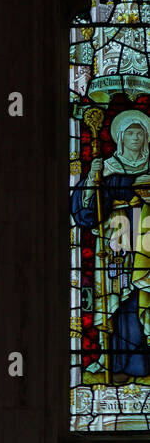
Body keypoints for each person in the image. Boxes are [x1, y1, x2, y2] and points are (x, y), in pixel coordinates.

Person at [70, 109, 150, 380]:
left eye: (140, 132)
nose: (136, 137)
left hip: (148, 239)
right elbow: (86, 213)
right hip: (118, 240)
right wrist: (93, 179)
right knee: (120, 299)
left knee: (144, 299)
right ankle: (117, 365)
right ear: (120, 137)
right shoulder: (108, 167)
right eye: (130, 132)